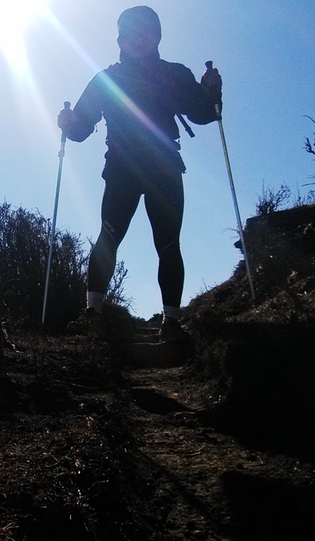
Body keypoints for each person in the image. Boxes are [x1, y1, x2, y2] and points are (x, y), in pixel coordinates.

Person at [57, 6, 221, 341]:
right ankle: (96, 316)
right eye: (132, 31)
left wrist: (213, 94)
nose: (139, 38)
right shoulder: (109, 79)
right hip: (130, 168)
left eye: (146, 31)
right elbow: (82, 127)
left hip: (154, 168)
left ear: (157, 36)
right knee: (111, 237)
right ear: (120, 38)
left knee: (165, 243)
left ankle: (168, 322)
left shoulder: (172, 74)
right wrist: (71, 123)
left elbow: (204, 113)